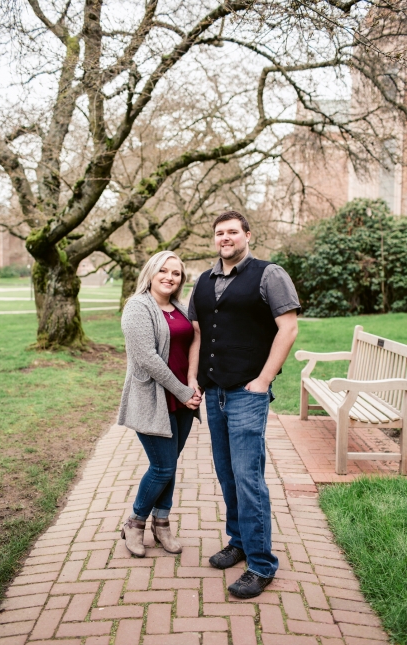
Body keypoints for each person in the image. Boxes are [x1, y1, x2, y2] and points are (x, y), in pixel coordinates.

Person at [188, 210, 300, 599]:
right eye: (219, 233)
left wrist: (264, 380)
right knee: (226, 472)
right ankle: (237, 541)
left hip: (247, 392)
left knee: (249, 476)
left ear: (248, 235)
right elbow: (199, 336)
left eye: (232, 232)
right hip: (214, 390)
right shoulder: (202, 281)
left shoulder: (270, 274)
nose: (225, 238)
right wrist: (194, 381)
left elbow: (288, 328)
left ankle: (261, 563)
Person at [118, 250, 202, 558]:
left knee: (169, 465)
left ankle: (162, 522)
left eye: (176, 273)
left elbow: (194, 342)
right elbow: (147, 359)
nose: (169, 277)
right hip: (154, 399)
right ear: (151, 273)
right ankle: (135, 523)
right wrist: (182, 390)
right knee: (162, 466)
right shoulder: (137, 307)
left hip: (182, 397)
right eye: (163, 271)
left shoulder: (179, 307)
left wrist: (193, 383)